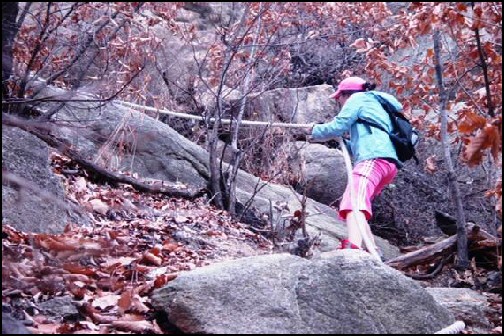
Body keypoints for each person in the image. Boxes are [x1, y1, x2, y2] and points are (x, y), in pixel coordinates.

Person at [308, 76, 402, 259]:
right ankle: (373, 249)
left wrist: (314, 131)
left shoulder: (358, 99)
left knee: (354, 201)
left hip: (373, 158)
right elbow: (368, 139)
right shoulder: (377, 104)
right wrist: (344, 143)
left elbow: (338, 125)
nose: (339, 103)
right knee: (358, 200)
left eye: (339, 99)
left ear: (346, 95)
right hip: (386, 162)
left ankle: (354, 250)